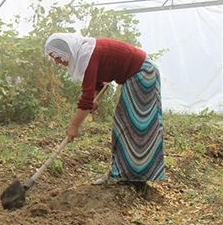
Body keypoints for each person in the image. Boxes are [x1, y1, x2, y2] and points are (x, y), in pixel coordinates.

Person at [44, 33, 166, 190]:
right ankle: (129, 175)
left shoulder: (89, 54)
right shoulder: (86, 52)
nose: (57, 62)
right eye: (54, 58)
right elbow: (98, 84)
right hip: (139, 73)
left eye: (58, 57)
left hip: (143, 73)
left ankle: (135, 177)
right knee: (127, 125)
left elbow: (86, 98)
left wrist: (74, 126)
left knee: (134, 126)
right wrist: (94, 99)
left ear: (68, 51)